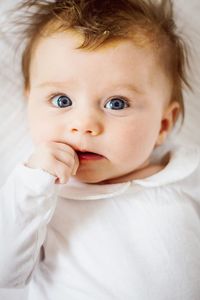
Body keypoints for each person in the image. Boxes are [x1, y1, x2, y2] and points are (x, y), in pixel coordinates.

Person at [0, 0, 200, 299]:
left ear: (162, 124)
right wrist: (32, 184)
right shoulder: (40, 199)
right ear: (29, 104)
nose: (84, 125)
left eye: (116, 103)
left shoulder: (188, 176)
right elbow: (6, 273)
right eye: (61, 101)